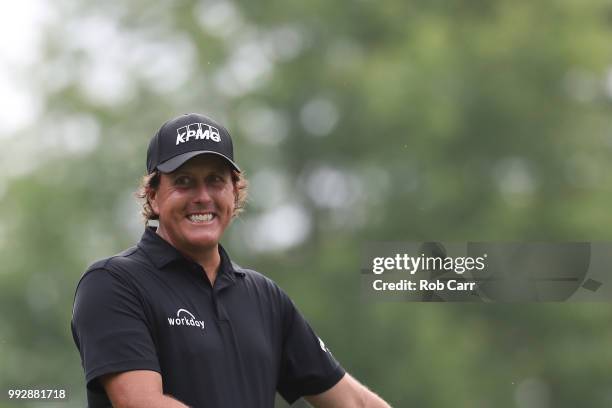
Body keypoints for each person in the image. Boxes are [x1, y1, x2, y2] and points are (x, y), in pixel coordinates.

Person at [71, 113, 391, 408]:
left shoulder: (264, 298)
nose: (203, 196)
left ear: (234, 193)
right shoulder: (113, 283)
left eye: (215, 180)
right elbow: (140, 403)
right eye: (184, 182)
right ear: (153, 195)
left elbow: (353, 402)